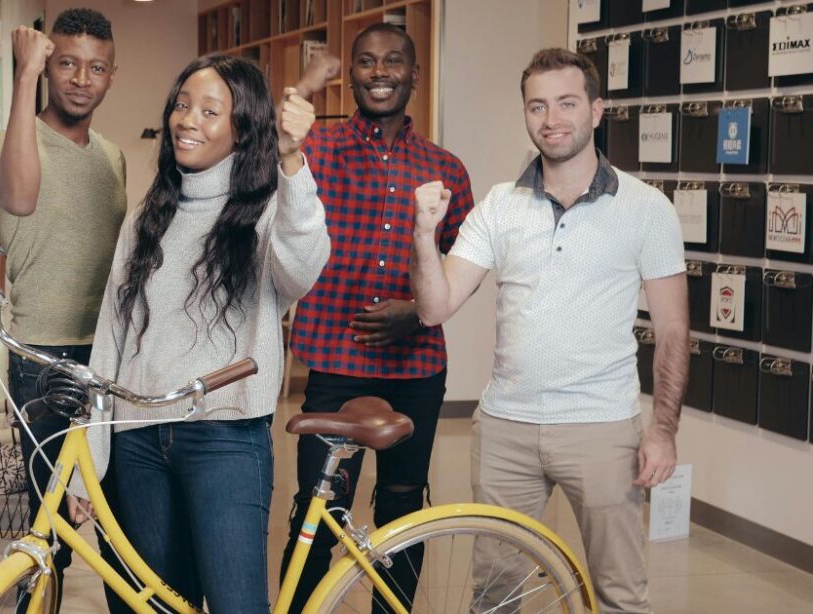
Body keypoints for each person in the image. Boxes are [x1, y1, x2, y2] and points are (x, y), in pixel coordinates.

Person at [410, 48, 687, 613]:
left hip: (601, 428)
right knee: (494, 595)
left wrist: (662, 430)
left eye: (566, 102)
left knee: (619, 593)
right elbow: (434, 308)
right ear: (526, 114)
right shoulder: (498, 206)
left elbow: (675, 330)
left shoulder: (646, 208)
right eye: (538, 106)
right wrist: (422, 232)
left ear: (597, 109)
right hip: (505, 429)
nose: (551, 118)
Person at [76, 54, 329, 613]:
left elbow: (303, 267)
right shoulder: (150, 212)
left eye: (210, 111)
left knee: (237, 604)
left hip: (225, 437)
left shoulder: (267, 209)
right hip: (137, 436)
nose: (188, 120)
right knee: (159, 606)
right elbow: (111, 338)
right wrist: (89, 464)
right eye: (182, 105)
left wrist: (293, 161)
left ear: (243, 128)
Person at [279, 23, 475, 612]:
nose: (379, 71)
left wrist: (418, 313)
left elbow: (466, 266)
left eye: (393, 61)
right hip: (336, 362)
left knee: (402, 506)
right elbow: (268, 158)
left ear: (415, 74)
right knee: (317, 508)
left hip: (417, 370)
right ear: (354, 75)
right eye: (366, 61)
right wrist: (302, 91)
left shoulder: (446, 169)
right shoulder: (316, 150)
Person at [0, 8, 130, 612]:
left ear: (112, 75)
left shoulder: (114, 157)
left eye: (96, 67)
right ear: (47, 67)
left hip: (114, 358)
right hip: (43, 357)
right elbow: (18, 195)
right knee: (50, 527)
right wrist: (23, 77)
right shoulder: (3, 141)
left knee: (119, 522)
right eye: (66, 63)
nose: (81, 79)